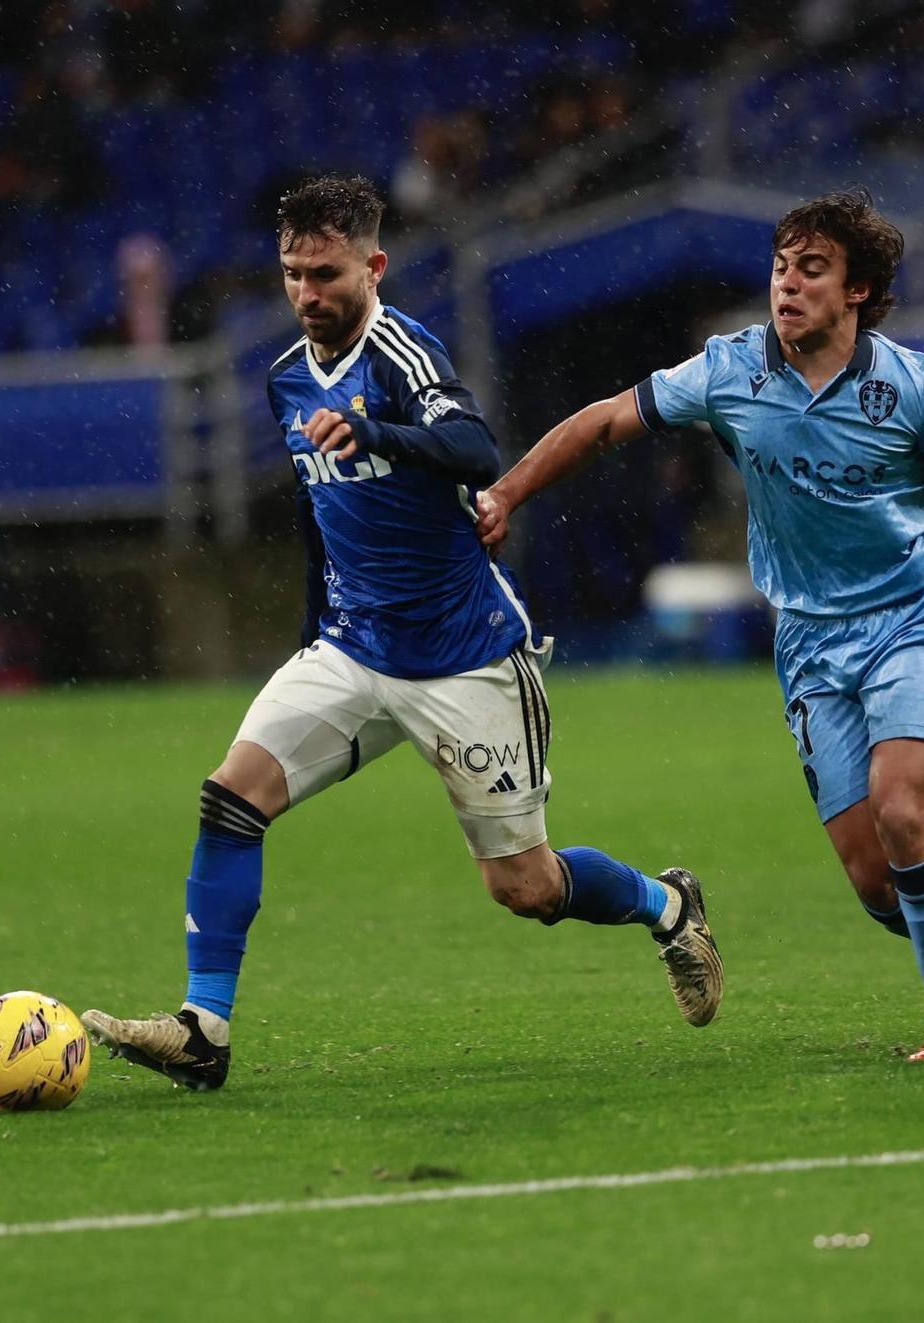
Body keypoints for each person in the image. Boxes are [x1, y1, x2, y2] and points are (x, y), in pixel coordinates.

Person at [81, 175, 722, 1092]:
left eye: (326, 273)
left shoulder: (402, 353)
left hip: (462, 657)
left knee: (526, 890)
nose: (307, 294)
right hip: (350, 646)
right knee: (231, 799)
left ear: (373, 266)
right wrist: (311, 630)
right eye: (293, 274)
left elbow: (475, 451)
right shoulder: (283, 379)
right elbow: (318, 510)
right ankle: (204, 1028)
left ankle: (667, 906)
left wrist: (379, 429)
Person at [475, 189, 924, 1061]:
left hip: (914, 615)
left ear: (859, 290)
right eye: (780, 267)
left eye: (813, 270)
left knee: (904, 812)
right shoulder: (729, 371)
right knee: (878, 881)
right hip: (808, 640)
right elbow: (607, 421)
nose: (787, 286)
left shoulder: (911, 388)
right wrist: (506, 493)